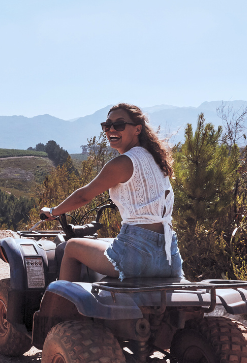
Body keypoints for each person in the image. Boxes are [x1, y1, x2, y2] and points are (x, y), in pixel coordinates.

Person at [41, 103, 182, 282]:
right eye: (107, 126)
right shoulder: (156, 160)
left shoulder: (123, 162)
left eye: (120, 125)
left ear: (137, 129)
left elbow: (83, 195)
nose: (111, 130)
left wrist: (53, 211)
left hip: (135, 257)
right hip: (170, 257)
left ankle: (59, 309)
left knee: (71, 248)